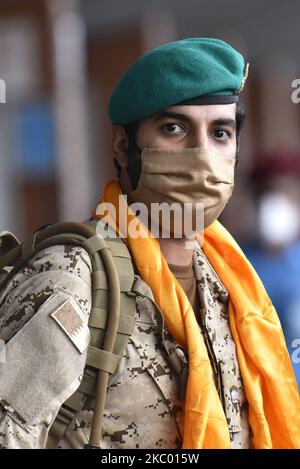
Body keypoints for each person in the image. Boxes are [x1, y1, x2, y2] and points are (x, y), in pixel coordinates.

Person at [0, 38, 299, 450]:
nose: (201, 153)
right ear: (123, 146)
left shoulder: (231, 284)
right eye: (174, 128)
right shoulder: (73, 278)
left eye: (220, 133)